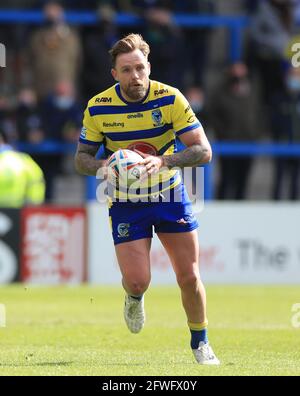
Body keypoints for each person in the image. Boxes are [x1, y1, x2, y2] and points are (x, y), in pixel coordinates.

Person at [75, 33, 220, 365]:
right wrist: (103, 166)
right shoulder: (98, 107)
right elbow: (80, 159)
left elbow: (204, 151)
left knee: (189, 275)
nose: (135, 76)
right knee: (139, 279)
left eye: (140, 68)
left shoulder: (170, 99)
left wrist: (164, 160)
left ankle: (201, 342)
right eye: (126, 70)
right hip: (126, 199)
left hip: (169, 193)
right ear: (114, 74)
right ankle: (133, 297)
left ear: (149, 67)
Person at [0, 131, 45, 208]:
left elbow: (36, 182)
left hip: (18, 211)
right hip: (20, 211)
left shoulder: (22, 160)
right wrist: (33, 207)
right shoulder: (23, 159)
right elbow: (37, 183)